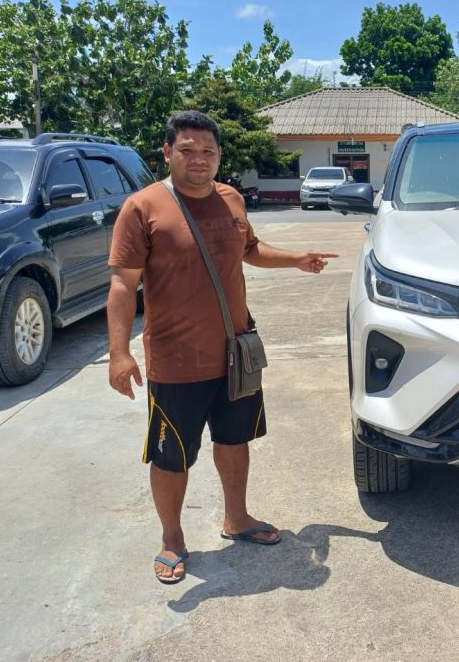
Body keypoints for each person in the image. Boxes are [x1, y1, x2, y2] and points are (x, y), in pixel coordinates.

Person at [107, 110, 337, 584]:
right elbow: (123, 285)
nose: (199, 159)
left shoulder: (231, 199)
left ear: (219, 155)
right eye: (187, 150)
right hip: (175, 361)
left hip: (235, 355)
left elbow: (250, 249)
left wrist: (296, 259)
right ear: (167, 152)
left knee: (235, 441)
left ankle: (237, 517)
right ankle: (172, 538)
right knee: (172, 455)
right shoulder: (142, 207)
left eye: (208, 151)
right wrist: (119, 352)